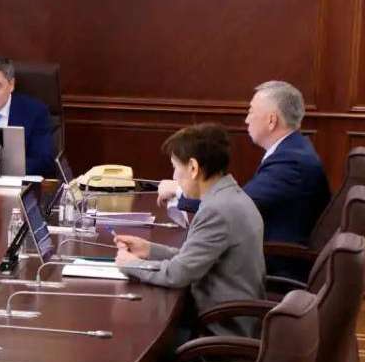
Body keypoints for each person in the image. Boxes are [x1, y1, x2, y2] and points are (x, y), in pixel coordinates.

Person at [156, 81, 330, 277]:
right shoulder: (292, 150)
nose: (246, 120)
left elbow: (235, 209)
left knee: (180, 269)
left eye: (251, 112)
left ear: (271, 120)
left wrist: (180, 191)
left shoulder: (291, 162)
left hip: (276, 265)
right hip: (266, 252)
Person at [115, 123, 265, 338]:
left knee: (132, 333)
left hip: (219, 331)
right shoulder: (230, 195)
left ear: (193, 168)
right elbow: (193, 259)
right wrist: (149, 250)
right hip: (230, 318)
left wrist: (131, 265)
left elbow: (178, 274)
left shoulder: (217, 210)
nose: (174, 176)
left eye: (176, 167)